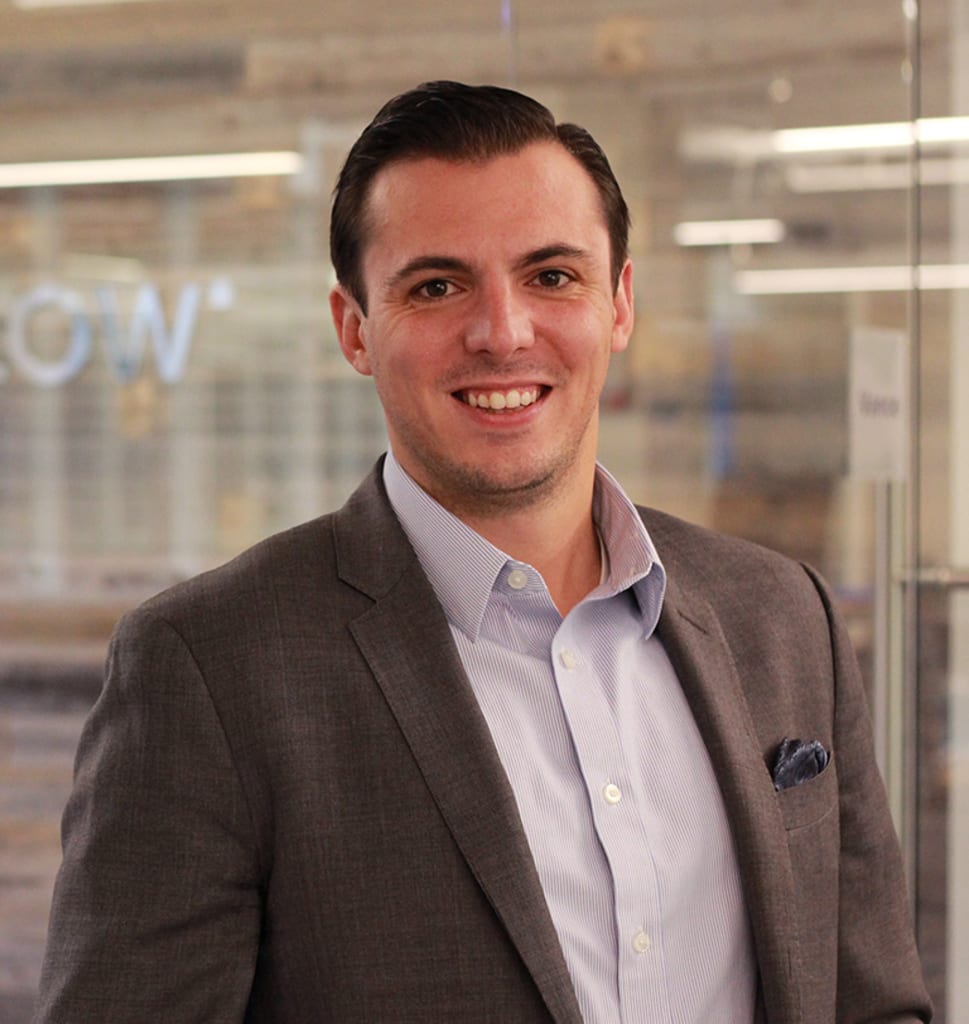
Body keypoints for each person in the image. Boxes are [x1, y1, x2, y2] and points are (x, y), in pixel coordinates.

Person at [35, 81, 931, 1024]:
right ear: (354, 329)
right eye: (436, 286)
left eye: (552, 276)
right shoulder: (209, 669)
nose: (502, 332)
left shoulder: (781, 616)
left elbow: (873, 1005)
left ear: (619, 303)